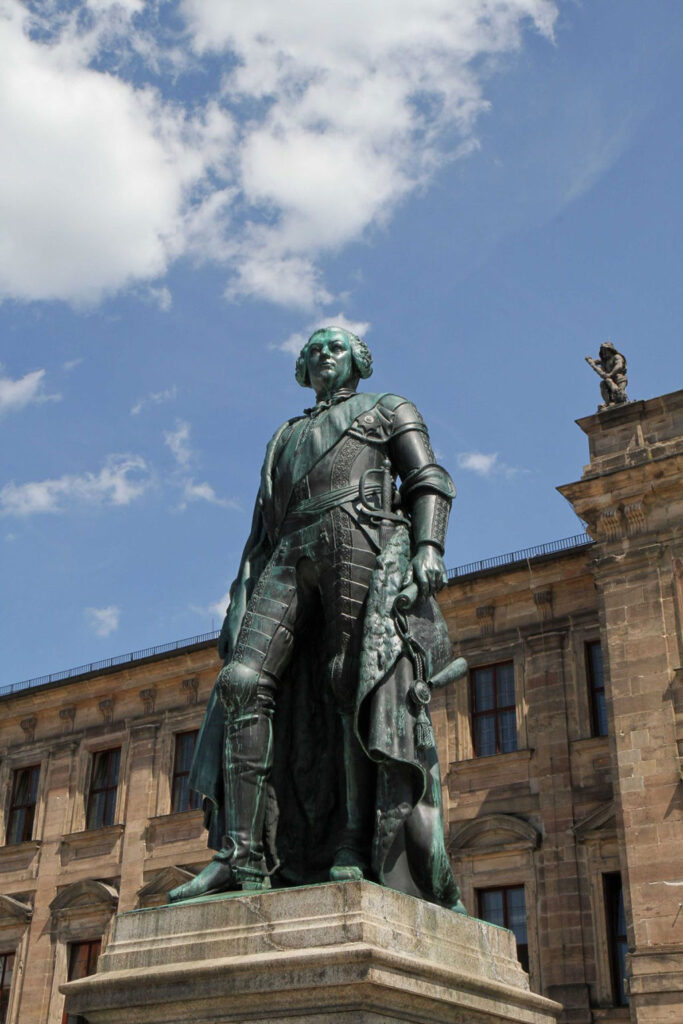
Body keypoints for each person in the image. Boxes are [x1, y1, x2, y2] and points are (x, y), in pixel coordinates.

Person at [169, 326, 465, 911]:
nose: (323, 354)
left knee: (347, 679)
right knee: (241, 682)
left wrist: (430, 547)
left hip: (359, 534)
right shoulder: (284, 436)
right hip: (288, 549)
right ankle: (241, 856)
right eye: (314, 349)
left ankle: (353, 841)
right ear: (302, 368)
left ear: (359, 360)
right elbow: (260, 531)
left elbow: (428, 479)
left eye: (336, 346)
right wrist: (238, 601)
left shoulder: (387, 408)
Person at [585, 341, 628, 411]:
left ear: (610, 350)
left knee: (618, 384)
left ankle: (619, 396)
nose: (604, 353)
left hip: (618, 379)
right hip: (608, 380)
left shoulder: (617, 357)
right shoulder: (604, 361)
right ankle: (608, 402)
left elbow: (619, 365)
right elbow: (596, 362)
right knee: (603, 384)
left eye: (605, 351)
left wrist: (610, 374)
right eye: (602, 352)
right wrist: (591, 362)